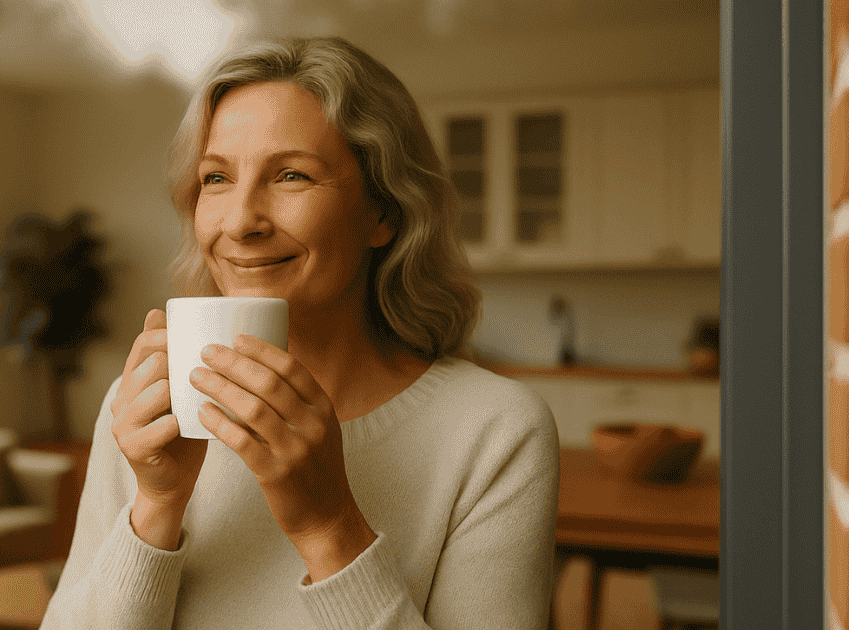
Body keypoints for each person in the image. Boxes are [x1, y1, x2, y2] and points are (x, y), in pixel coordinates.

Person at [40, 36, 560, 630]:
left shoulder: (496, 432)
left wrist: (328, 525)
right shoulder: (142, 409)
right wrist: (156, 505)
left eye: (291, 175)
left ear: (383, 212)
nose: (239, 222)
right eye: (215, 178)